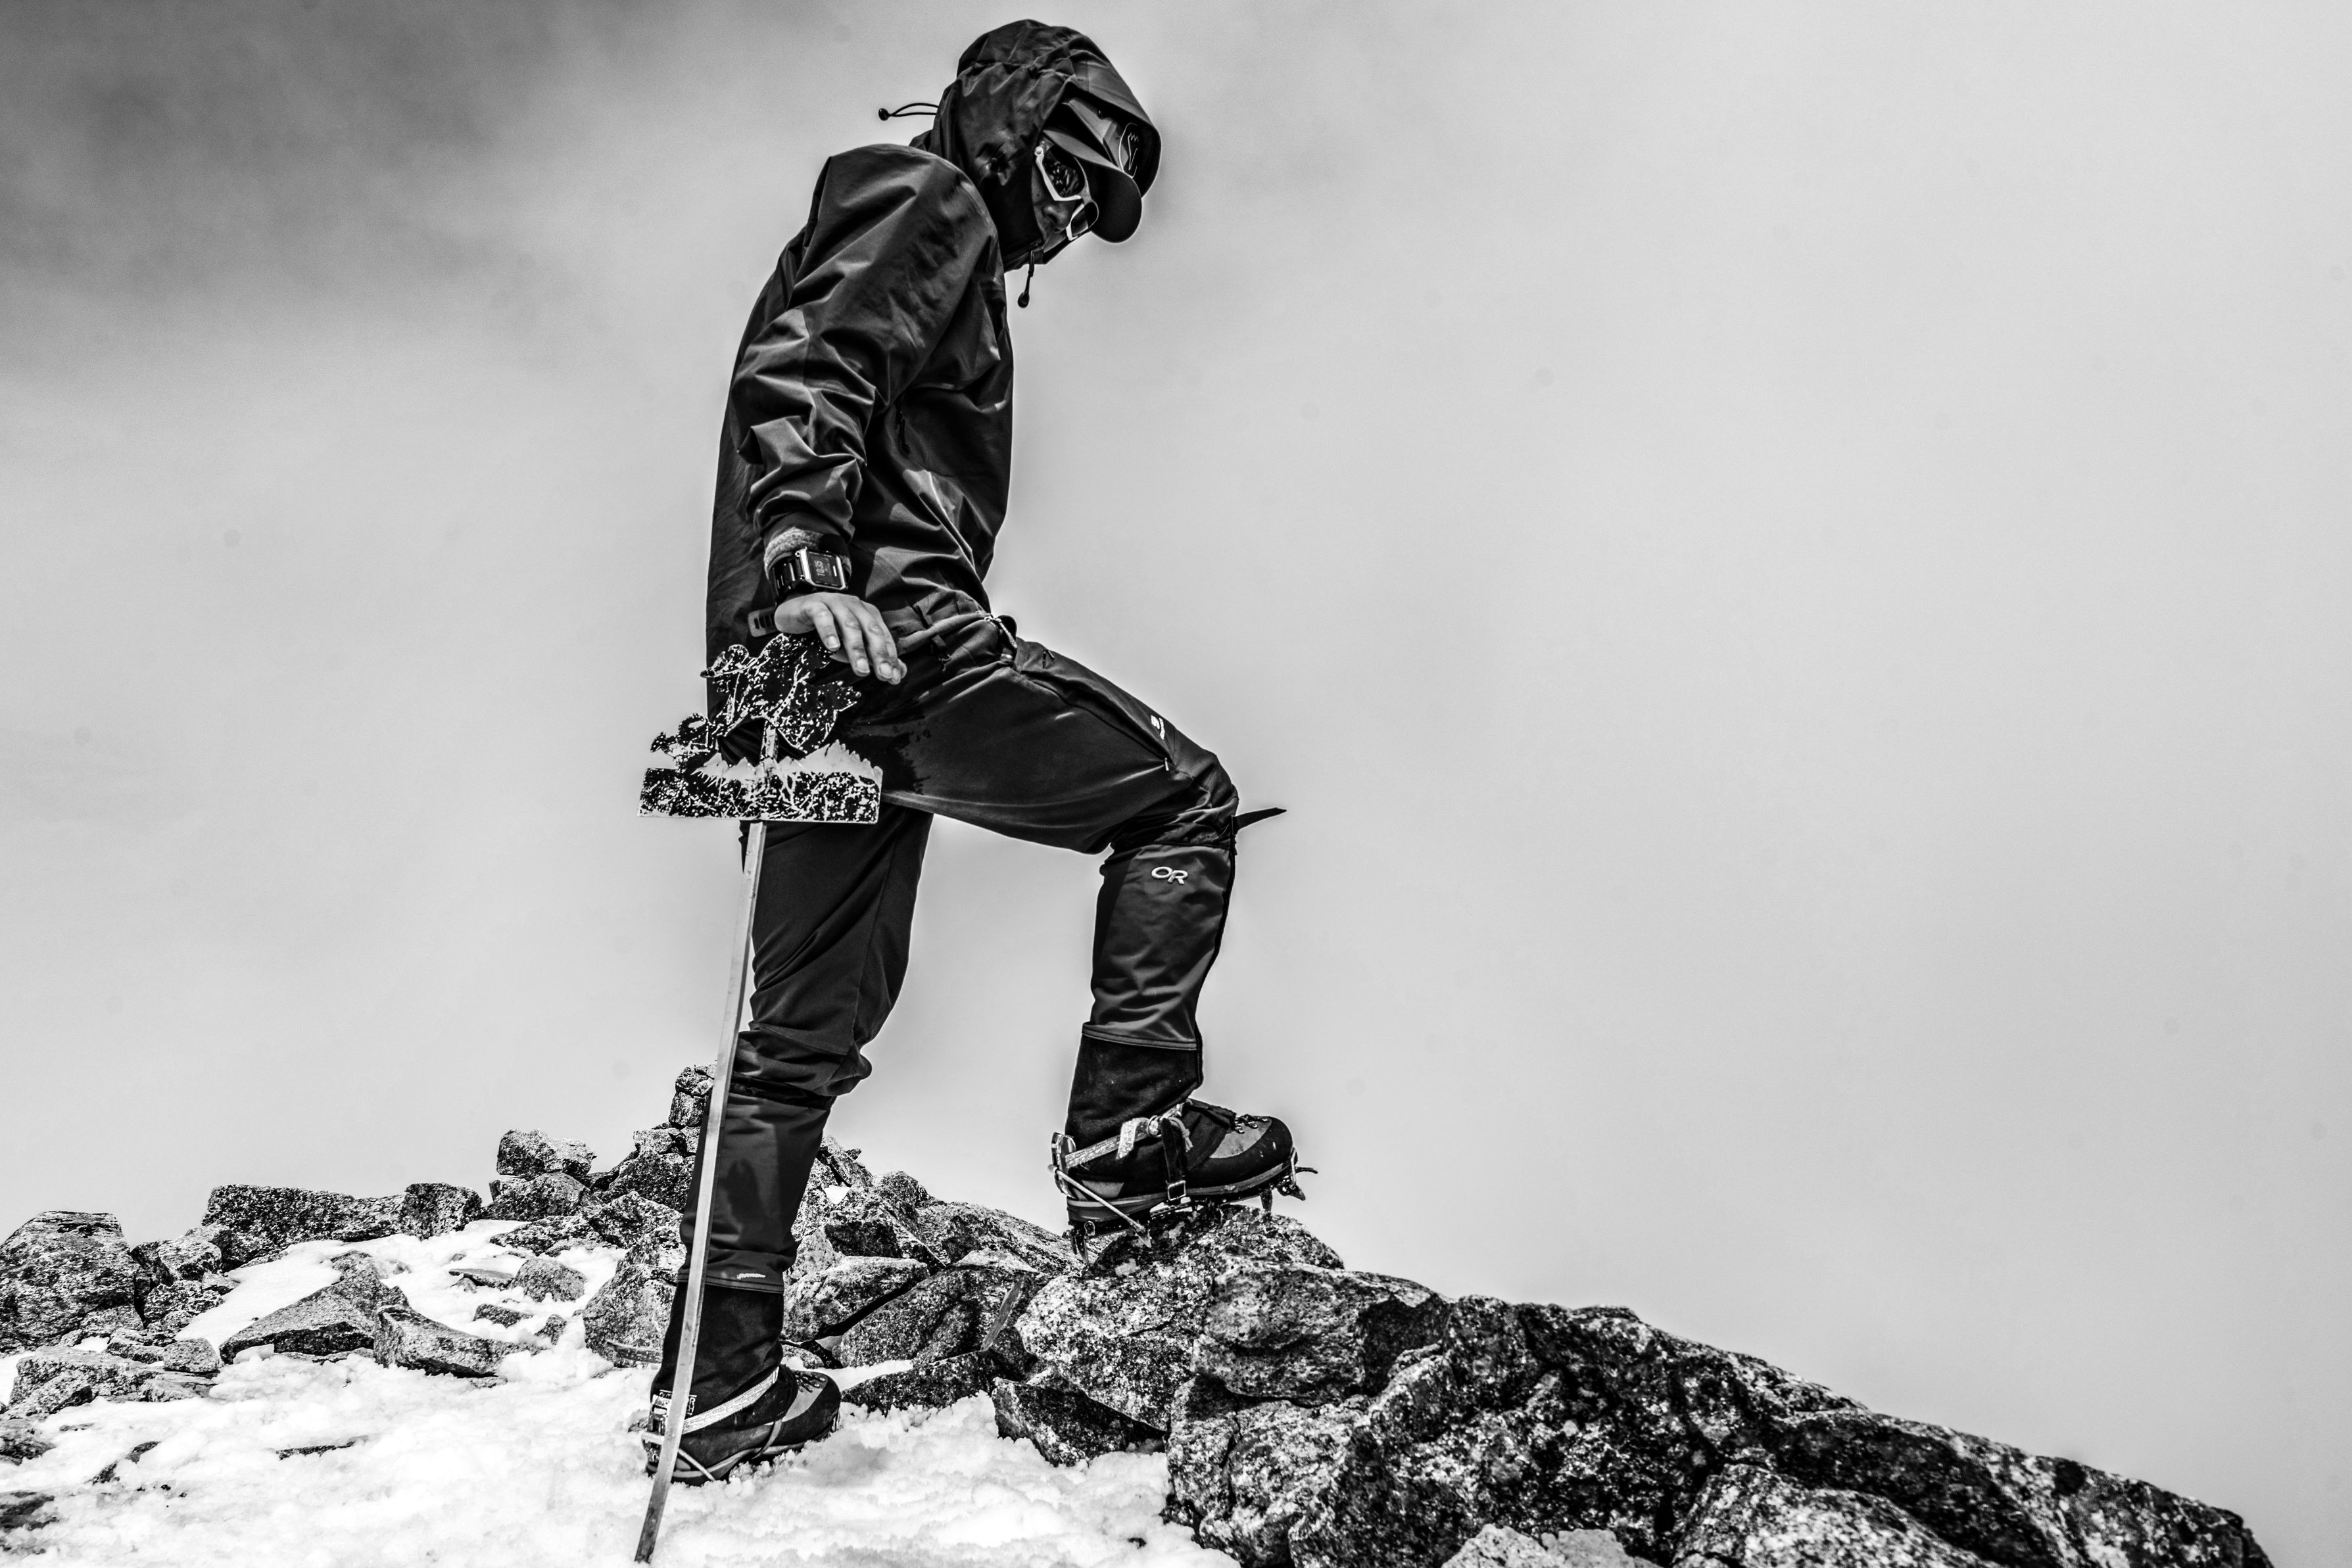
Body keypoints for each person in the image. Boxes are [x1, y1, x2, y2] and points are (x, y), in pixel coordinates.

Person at [646, 20, 1298, 1483]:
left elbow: (808, 362)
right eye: (1066, 175)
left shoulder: (929, 221)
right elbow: (808, 365)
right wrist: (812, 562)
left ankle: (721, 1381)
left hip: (800, 692)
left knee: (796, 1037)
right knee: (1181, 799)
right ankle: (1128, 1131)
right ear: (1009, 125)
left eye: (1094, 203)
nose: (1066, 221)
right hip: (886, 640)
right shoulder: (924, 196)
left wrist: (788, 608)